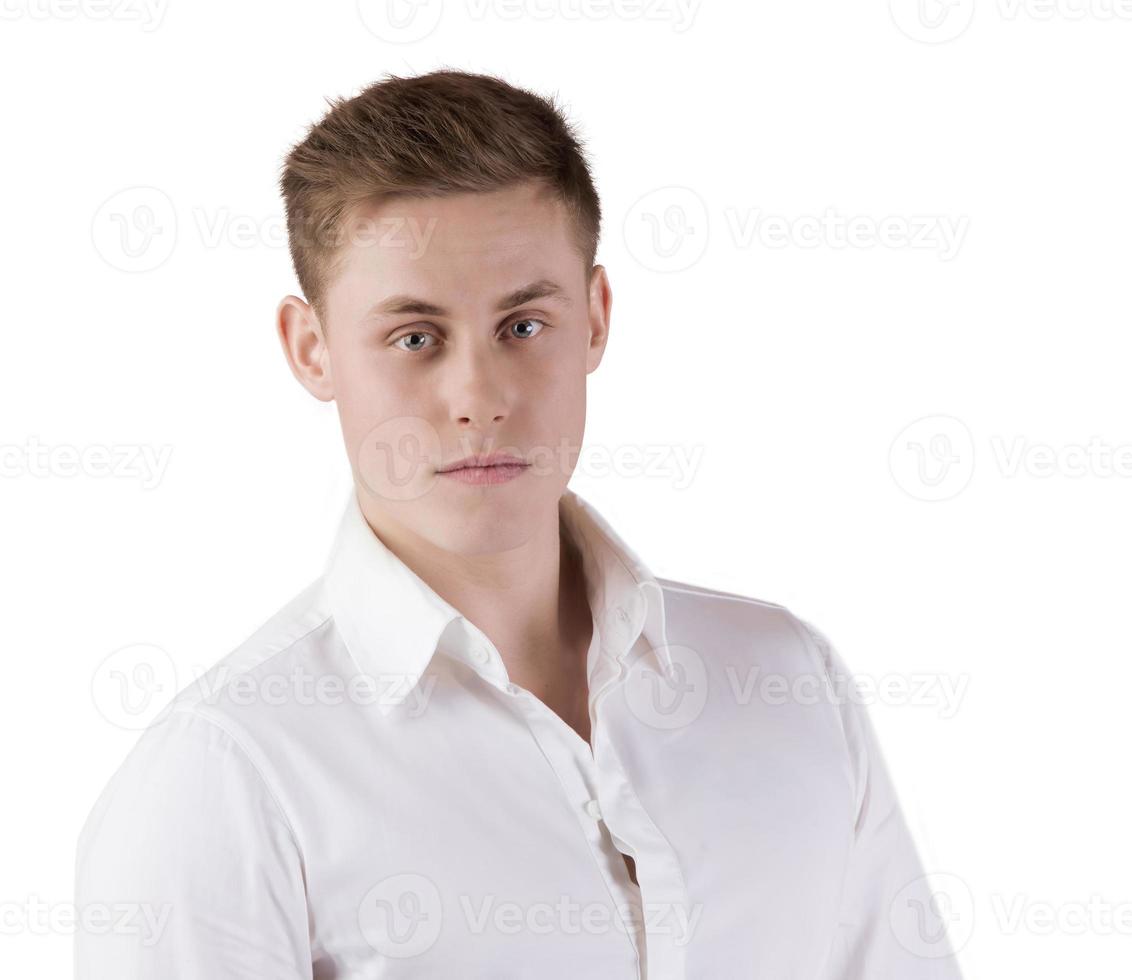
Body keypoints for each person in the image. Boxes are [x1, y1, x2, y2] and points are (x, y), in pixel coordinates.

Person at [74, 68, 963, 979]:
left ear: (595, 320)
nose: (480, 398)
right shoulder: (226, 779)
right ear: (312, 349)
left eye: (524, 325)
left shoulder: (784, 678)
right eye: (415, 337)